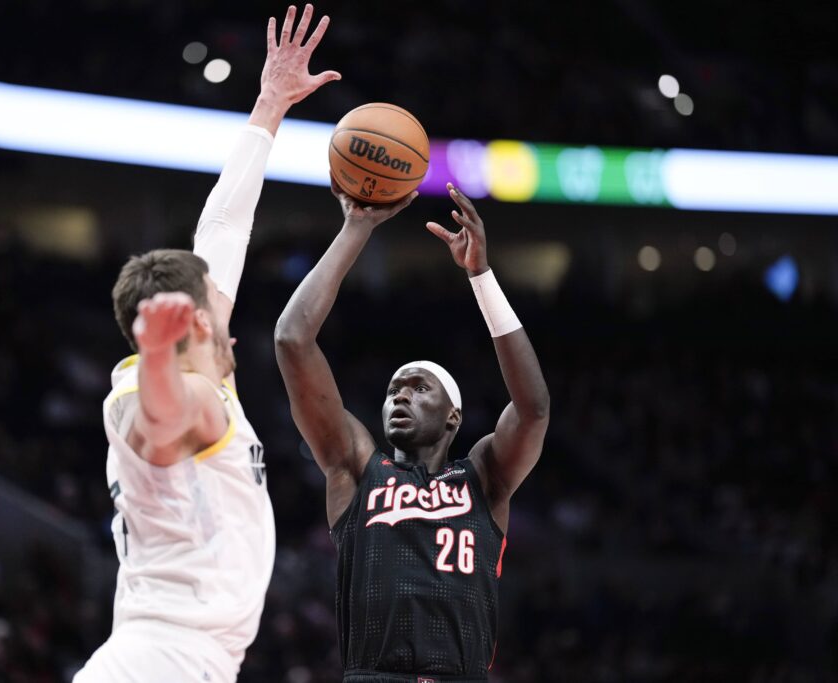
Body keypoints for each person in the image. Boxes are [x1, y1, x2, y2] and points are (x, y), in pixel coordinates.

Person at [73, 6, 340, 682]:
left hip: (182, 658)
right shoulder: (159, 390)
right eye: (215, 311)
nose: (230, 320)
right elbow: (160, 424)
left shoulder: (199, 366)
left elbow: (224, 223)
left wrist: (269, 106)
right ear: (192, 325)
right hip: (160, 662)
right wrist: (159, 360)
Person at [274, 181, 551, 682]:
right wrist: (356, 227)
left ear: (454, 416)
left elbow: (532, 409)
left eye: (419, 388)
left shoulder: (485, 477)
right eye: (393, 390)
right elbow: (293, 339)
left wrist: (481, 277)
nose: (399, 396)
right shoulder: (357, 468)